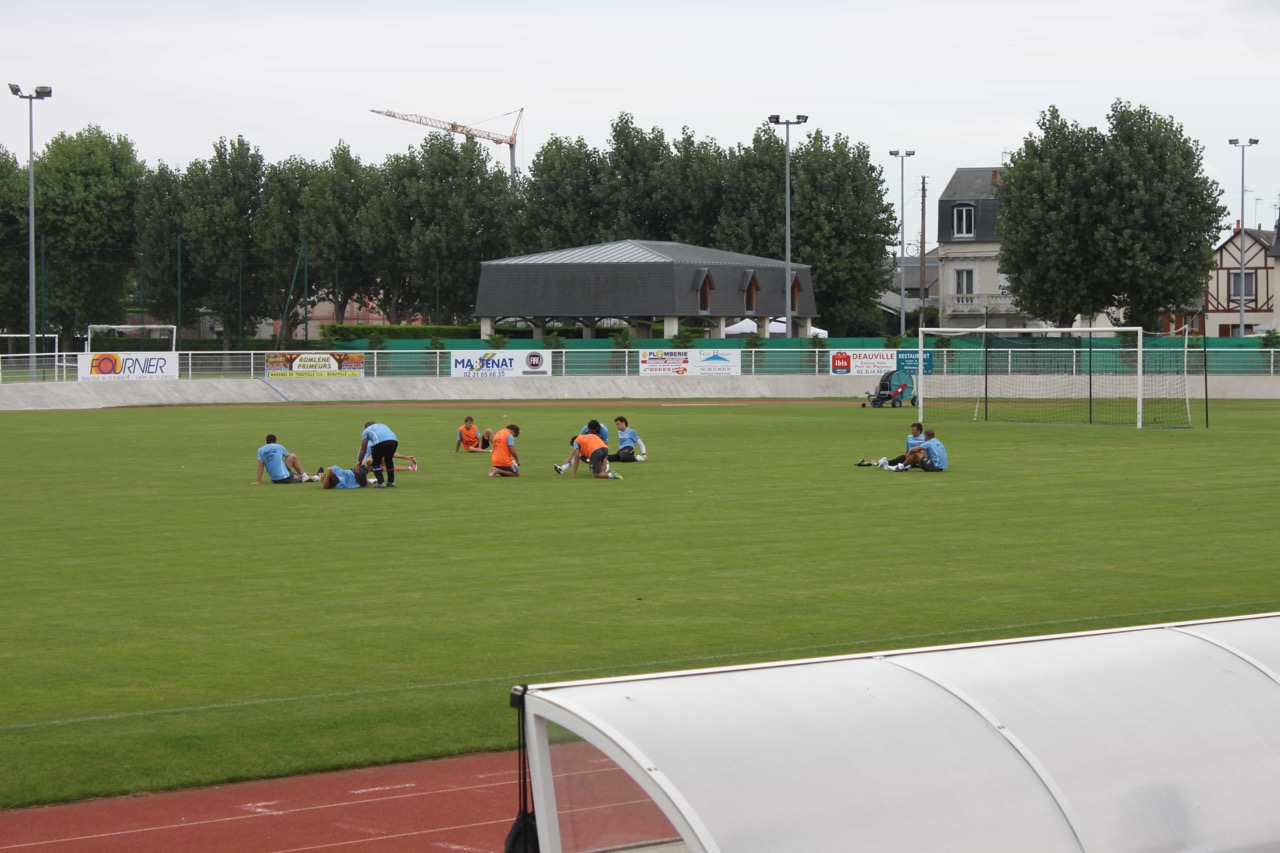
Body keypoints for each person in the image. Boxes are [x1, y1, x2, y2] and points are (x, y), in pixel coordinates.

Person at [858, 422, 925, 468]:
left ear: (919, 431)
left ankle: (882, 463)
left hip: (917, 458)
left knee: (900, 461)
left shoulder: (924, 438)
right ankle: (882, 463)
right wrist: (906, 455)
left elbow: (924, 451)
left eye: (913, 430)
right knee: (899, 459)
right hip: (909, 457)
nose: (912, 431)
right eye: (912, 430)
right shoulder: (909, 437)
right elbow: (907, 449)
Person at [357, 421, 399, 488]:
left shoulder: (366, 431)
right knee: (389, 460)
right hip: (394, 441)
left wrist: (359, 463)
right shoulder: (382, 425)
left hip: (380, 442)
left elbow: (363, 449)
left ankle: (381, 483)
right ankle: (391, 482)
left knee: (376, 462)